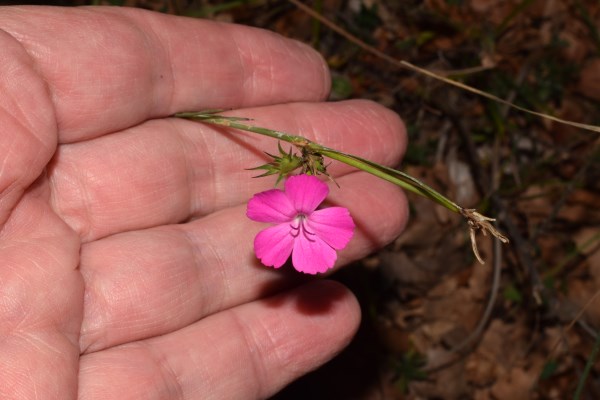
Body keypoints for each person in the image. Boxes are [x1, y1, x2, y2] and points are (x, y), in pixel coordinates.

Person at [0, 5, 408, 399]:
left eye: (304, 213)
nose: (302, 218)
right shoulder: (290, 202)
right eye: (300, 213)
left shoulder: (307, 203)